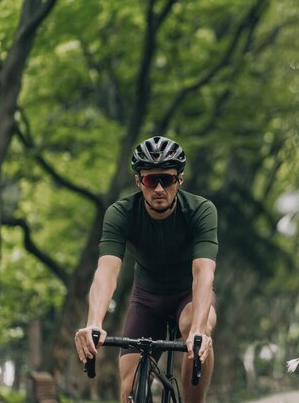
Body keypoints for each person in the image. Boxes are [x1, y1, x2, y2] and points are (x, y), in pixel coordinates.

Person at [74, 136, 218, 403]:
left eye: (167, 179)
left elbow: (203, 273)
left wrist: (199, 329)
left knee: (196, 328)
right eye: (152, 180)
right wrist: (94, 322)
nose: (160, 188)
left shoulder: (201, 211)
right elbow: (106, 272)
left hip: (189, 294)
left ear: (180, 180)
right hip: (147, 299)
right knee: (128, 391)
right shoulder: (121, 213)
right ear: (139, 181)